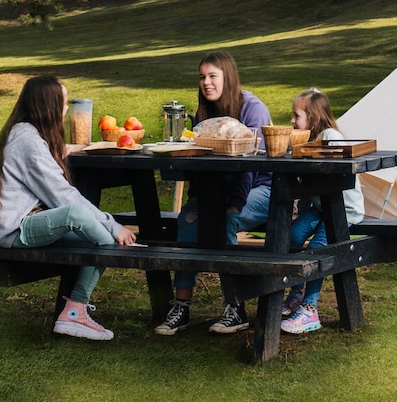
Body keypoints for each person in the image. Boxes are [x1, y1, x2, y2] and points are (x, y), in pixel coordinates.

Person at [0, 75, 137, 341]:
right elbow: (63, 197)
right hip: (16, 229)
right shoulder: (27, 141)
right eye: (63, 103)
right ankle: (75, 313)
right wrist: (113, 224)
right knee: (81, 216)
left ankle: (75, 310)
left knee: (99, 234)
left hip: (31, 221)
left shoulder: (27, 134)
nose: (66, 110)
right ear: (48, 106)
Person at [155, 50, 272, 336]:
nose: (206, 83)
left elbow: (250, 165)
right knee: (188, 218)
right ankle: (181, 306)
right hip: (219, 190)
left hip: (262, 188)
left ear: (227, 77)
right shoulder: (204, 113)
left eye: (212, 76)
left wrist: (234, 203)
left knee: (225, 220)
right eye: (202, 77)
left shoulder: (252, 108)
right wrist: (198, 201)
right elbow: (200, 163)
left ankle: (236, 306)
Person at [280, 88, 365, 334]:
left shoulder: (331, 137)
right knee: (293, 236)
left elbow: (330, 178)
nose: (292, 121)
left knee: (318, 249)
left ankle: (310, 309)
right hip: (320, 208)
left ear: (314, 118)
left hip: (342, 210)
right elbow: (307, 188)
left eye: (296, 116)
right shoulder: (306, 140)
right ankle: (297, 292)